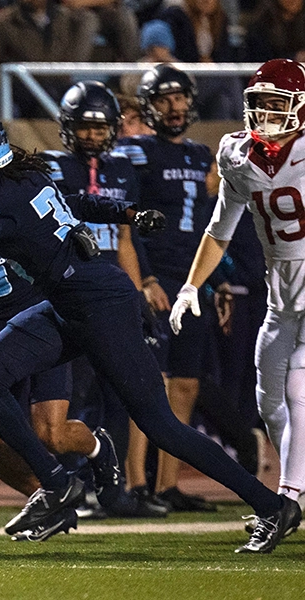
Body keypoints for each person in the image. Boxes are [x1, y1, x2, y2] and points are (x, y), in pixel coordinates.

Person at [0, 108, 301, 553]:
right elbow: (66, 208)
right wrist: (125, 213)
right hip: (67, 300)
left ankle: (272, 506)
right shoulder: (23, 173)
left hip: (99, 305)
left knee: (160, 425)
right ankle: (57, 483)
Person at [171, 59, 305, 524]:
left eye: (277, 103)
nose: (267, 113)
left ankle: (287, 500)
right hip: (280, 291)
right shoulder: (236, 155)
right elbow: (219, 230)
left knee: (296, 389)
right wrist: (191, 285)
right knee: (268, 402)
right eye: (261, 103)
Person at [41, 80, 167, 518]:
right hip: (70, 291)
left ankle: (111, 488)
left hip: (113, 291)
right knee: (75, 392)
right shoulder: (52, 167)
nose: (93, 135)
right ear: (67, 128)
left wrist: (139, 290)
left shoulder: (122, 169)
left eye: (100, 127)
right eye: (84, 127)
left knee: (118, 391)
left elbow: (127, 239)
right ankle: (71, 483)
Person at [115, 64, 221, 513]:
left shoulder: (202, 154)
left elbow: (216, 224)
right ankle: (136, 483)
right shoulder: (134, 153)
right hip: (156, 278)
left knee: (185, 384)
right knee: (149, 383)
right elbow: (126, 220)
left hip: (192, 280)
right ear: (148, 105)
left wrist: (215, 281)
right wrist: (146, 281)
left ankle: (167, 484)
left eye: (180, 99)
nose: (174, 108)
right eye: (164, 99)